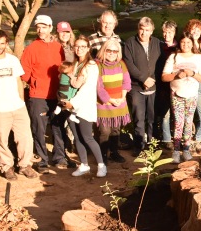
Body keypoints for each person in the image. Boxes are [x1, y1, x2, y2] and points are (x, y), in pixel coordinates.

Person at [0, 29, 39, 181]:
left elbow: (18, 81)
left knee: (25, 137)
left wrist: (21, 101)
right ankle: (7, 167)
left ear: (6, 43)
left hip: (17, 107)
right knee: (2, 140)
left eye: (2, 43)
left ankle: (25, 165)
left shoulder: (12, 60)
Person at [21, 14, 66, 169]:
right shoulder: (31, 48)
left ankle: (60, 157)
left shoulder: (58, 47)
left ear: (50, 28)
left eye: (44, 27)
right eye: (38, 27)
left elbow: (64, 67)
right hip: (38, 95)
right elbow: (24, 72)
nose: (41, 30)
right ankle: (42, 160)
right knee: (39, 129)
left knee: (57, 126)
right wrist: (34, 81)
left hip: (56, 94)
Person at [63, 37, 107, 177]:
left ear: (88, 48)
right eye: (77, 46)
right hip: (72, 107)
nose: (79, 49)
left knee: (87, 137)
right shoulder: (76, 64)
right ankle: (84, 165)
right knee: (77, 137)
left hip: (84, 106)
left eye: (83, 46)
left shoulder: (91, 66)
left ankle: (101, 165)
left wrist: (73, 103)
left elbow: (88, 88)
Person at [161, 35, 201, 163]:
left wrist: (192, 74)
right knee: (178, 122)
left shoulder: (198, 58)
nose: (186, 44)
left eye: (188, 42)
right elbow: (164, 77)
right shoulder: (173, 56)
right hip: (177, 94)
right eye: (183, 42)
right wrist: (176, 75)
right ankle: (176, 150)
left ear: (193, 44)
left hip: (192, 95)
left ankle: (186, 149)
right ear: (179, 43)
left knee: (188, 122)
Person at [123, 16, 162, 156]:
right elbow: (129, 64)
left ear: (152, 31)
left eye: (147, 30)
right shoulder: (130, 43)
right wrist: (143, 79)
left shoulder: (157, 43)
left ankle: (152, 144)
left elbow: (161, 64)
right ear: (138, 29)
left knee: (152, 118)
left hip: (153, 87)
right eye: (141, 29)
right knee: (139, 118)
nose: (144, 33)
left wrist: (152, 80)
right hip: (136, 88)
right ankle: (139, 145)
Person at [95, 38, 132, 164]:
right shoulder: (98, 65)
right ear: (104, 50)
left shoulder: (121, 64)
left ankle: (114, 153)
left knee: (116, 130)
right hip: (104, 104)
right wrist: (110, 100)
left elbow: (126, 82)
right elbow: (99, 87)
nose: (111, 53)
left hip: (119, 102)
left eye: (115, 51)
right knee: (104, 131)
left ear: (118, 52)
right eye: (109, 50)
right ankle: (103, 156)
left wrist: (122, 97)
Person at [184, 19, 201, 153]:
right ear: (189, 29)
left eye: (199, 30)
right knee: (188, 118)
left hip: (200, 85)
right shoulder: (185, 44)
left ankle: (197, 139)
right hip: (188, 85)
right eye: (193, 29)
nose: (196, 32)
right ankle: (187, 143)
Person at [157, 21, 178, 149]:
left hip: (176, 83)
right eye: (164, 32)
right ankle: (166, 139)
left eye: (169, 32)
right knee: (165, 113)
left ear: (174, 33)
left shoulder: (179, 47)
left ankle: (177, 137)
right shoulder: (158, 45)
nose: (166, 35)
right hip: (162, 84)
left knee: (177, 113)